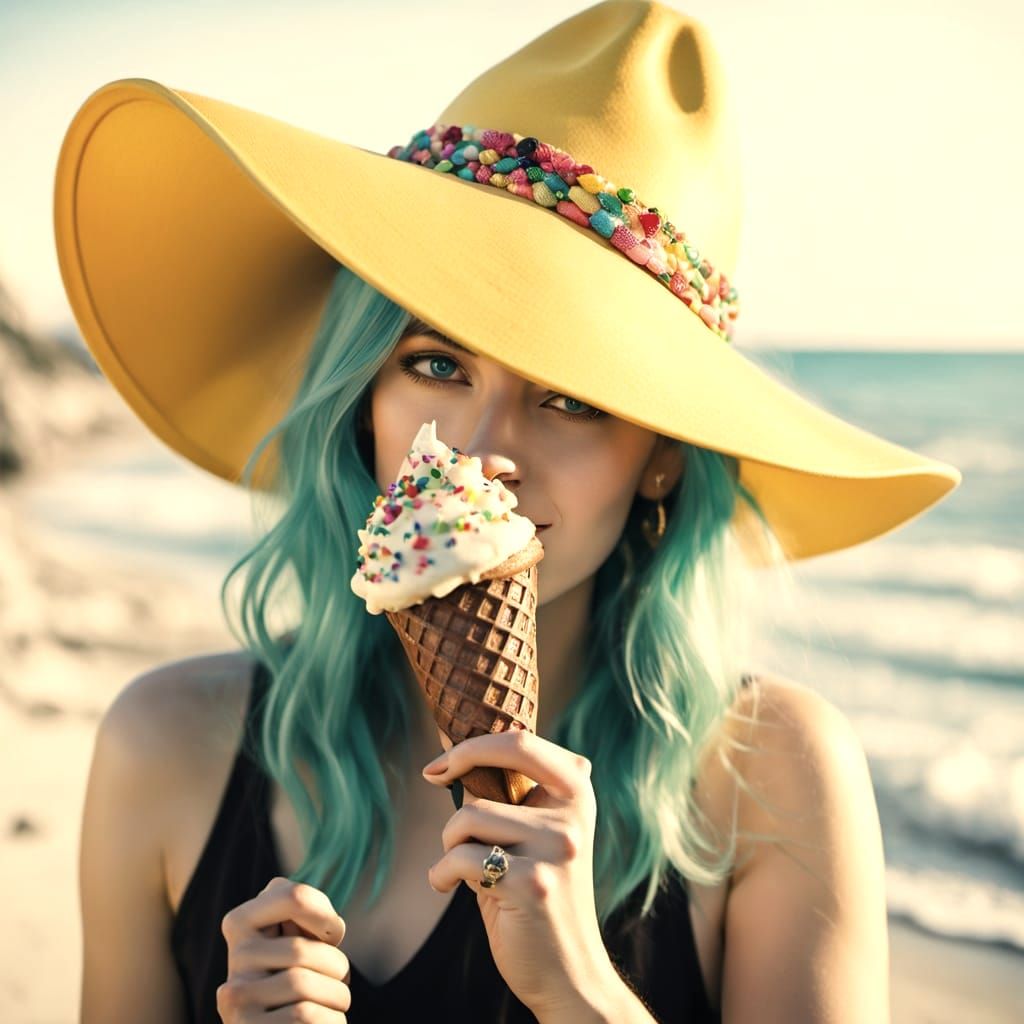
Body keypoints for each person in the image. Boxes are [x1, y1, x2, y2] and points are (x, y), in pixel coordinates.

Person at [59, 2, 960, 1021]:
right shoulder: (165, 747)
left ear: (661, 456)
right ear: (365, 402)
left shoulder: (771, 780)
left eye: (572, 397)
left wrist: (581, 990)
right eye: (436, 364)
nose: (484, 452)